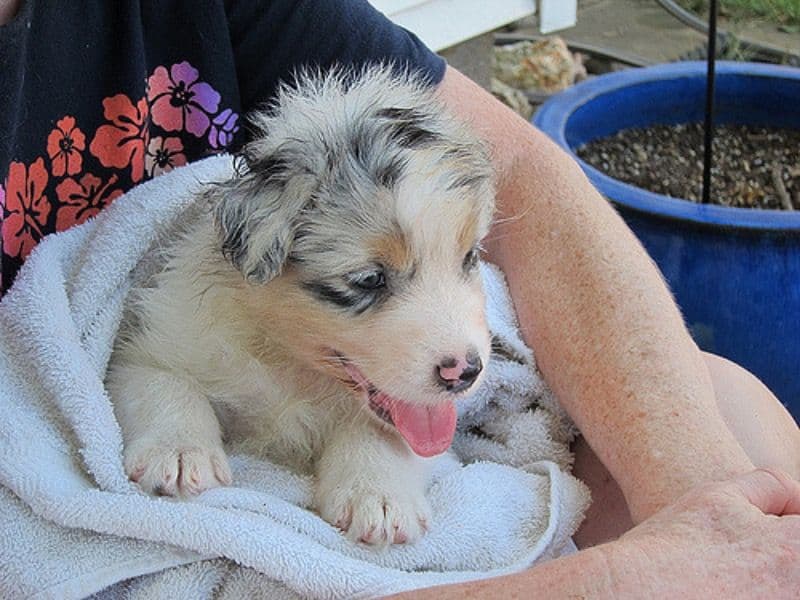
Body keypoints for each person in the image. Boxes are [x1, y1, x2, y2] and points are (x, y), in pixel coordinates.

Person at [1, 0, 798, 596]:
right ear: (258, 254)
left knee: (733, 403)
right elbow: (150, 368)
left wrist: (710, 509)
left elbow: (521, 174)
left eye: (463, 259)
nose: (459, 353)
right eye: (367, 283)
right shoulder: (208, 307)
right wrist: (616, 582)